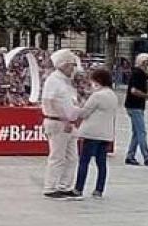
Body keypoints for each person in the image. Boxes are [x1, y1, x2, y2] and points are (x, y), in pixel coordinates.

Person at [40, 49, 82, 199]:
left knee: (72, 157)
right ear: (63, 65)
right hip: (58, 122)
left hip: (69, 124)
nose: (73, 69)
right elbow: (49, 101)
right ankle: (50, 187)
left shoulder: (65, 81)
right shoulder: (53, 80)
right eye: (71, 65)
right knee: (57, 156)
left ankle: (65, 186)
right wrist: (64, 118)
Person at [72, 67, 118, 199]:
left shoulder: (97, 96)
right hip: (106, 134)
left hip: (92, 133)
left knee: (84, 161)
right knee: (101, 163)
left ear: (98, 80)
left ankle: (78, 188)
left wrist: (77, 105)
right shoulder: (112, 95)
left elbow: (84, 112)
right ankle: (99, 189)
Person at [123, 52, 148, 167]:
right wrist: (147, 96)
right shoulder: (138, 74)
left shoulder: (140, 74)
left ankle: (130, 156)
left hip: (134, 106)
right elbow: (134, 90)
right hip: (135, 106)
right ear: (142, 63)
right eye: (147, 62)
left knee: (136, 133)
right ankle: (147, 156)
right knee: (141, 132)